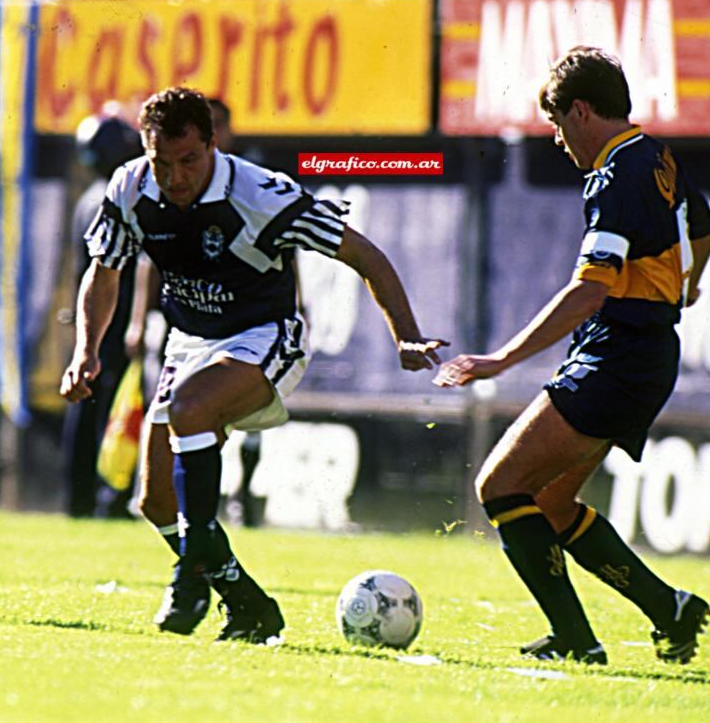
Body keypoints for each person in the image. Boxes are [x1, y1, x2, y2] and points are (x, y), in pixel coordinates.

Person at [61, 86, 446, 643]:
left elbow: (365, 255)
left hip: (265, 336)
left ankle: (193, 573)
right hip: (189, 342)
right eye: (160, 162)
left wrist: (406, 337)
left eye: (188, 160)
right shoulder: (130, 186)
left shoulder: (261, 195)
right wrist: (86, 351)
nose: (174, 177)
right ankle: (249, 605)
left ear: (213, 145)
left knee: (192, 413)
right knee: (154, 500)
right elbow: (105, 269)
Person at [436, 46, 710, 665]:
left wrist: (501, 359)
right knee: (553, 503)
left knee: (500, 485)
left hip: (617, 355)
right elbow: (703, 228)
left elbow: (590, 289)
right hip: (645, 355)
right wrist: (688, 286)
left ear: (582, 112)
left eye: (559, 126)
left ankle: (575, 640)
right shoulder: (658, 156)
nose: (560, 142)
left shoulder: (615, 176)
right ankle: (669, 609)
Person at [61, 113, 144, 517]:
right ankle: (107, 495)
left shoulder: (87, 197)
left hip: (95, 320)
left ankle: (79, 495)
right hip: (118, 319)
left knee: (87, 408)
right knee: (114, 409)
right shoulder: (115, 198)